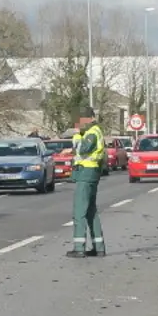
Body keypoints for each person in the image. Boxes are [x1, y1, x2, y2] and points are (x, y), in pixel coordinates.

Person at [67, 106, 107, 258]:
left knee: (80, 212)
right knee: (91, 211)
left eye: (81, 119)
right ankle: (99, 247)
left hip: (86, 174)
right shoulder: (93, 131)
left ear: (89, 118)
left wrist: (77, 137)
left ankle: (79, 247)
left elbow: (83, 149)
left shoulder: (92, 133)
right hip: (90, 173)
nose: (79, 123)